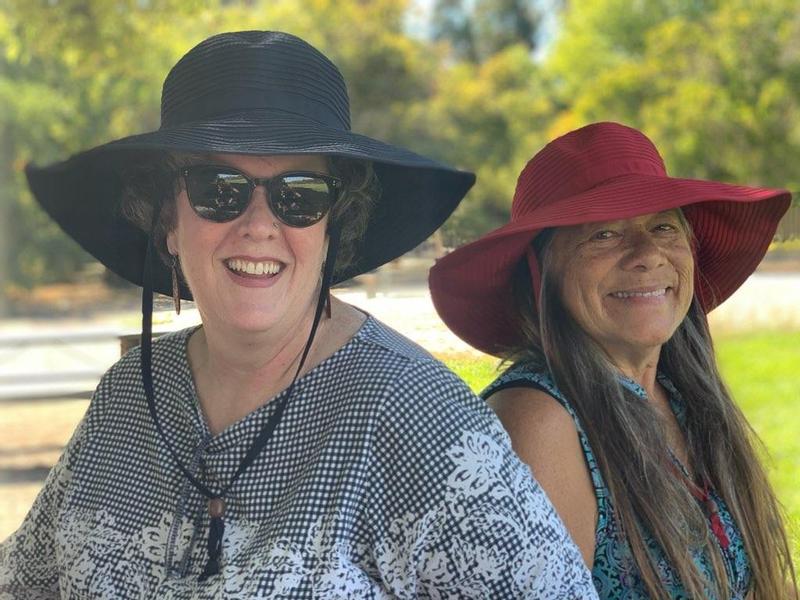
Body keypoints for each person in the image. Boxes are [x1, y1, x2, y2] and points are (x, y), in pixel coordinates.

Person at [0, 31, 597, 598]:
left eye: (300, 194)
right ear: (167, 220)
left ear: (335, 225)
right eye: (218, 188)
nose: (259, 225)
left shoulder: (415, 416)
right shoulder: (130, 395)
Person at [429, 122, 798, 599]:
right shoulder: (538, 421)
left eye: (663, 226)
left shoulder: (679, 393)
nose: (647, 255)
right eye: (603, 234)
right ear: (544, 274)